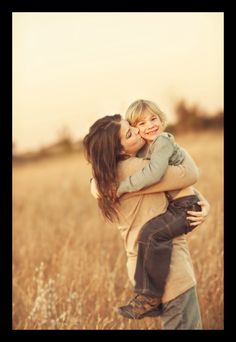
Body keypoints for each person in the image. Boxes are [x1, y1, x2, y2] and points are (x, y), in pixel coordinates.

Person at [83, 114, 209, 329]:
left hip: (144, 269)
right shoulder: (135, 169)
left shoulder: (107, 175)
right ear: (120, 150)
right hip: (169, 270)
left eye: (132, 126)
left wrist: (202, 200)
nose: (140, 130)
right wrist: (166, 141)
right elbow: (189, 173)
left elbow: (170, 185)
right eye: (130, 133)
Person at [115, 99, 204, 319]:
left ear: (161, 119)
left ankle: (149, 298)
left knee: (152, 233)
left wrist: (124, 187)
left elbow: (155, 174)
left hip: (184, 208)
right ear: (135, 129)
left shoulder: (162, 141)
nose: (150, 125)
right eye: (142, 123)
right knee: (150, 236)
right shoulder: (146, 150)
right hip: (178, 206)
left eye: (153, 118)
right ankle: (148, 297)